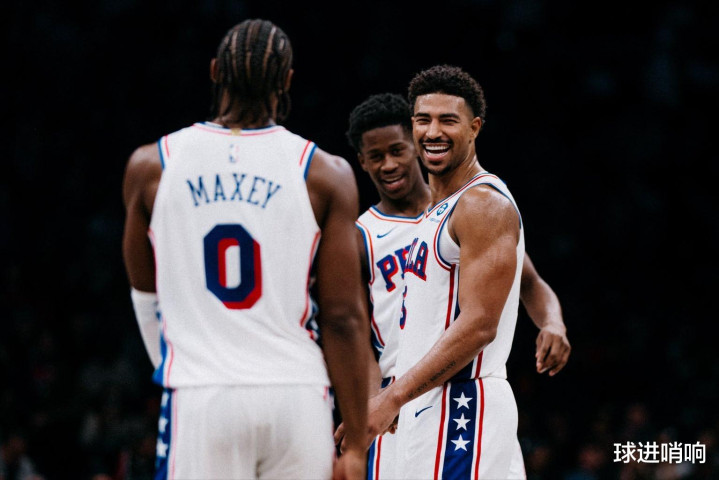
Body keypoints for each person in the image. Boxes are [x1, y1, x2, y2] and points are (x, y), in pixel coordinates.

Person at [121, 18, 369, 480]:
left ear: (215, 72)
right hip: (296, 394)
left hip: (202, 394)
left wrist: (179, 367)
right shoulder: (325, 173)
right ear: (287, 81)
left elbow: (144, 294)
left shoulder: (151, 166)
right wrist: (355, 442)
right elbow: (343, 317)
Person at [343, 93, 570, 479]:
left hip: (457, 395)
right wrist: (375, 401)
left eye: (396, 150)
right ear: (362, 161)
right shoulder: (363, 235)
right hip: (396, 399)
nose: (390, 164)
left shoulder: (472, 208)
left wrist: (553, 321)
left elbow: (526, 282)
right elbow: (354, 333)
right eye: (376, 156)